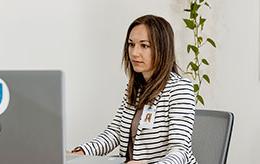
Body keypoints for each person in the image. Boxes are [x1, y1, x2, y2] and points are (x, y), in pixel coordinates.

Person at [71, 15, 197, 164]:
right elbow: (116, 132)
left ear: (162, 49)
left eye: (144, 45)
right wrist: (84, 151)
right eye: (131, 44)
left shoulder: (180, 89)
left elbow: (179, 150)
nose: (134, 53)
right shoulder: (135, 88)